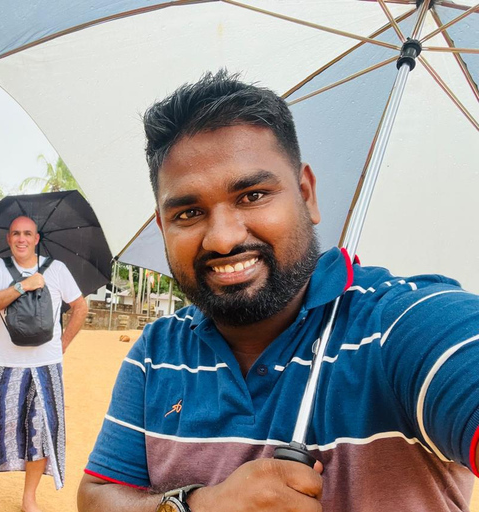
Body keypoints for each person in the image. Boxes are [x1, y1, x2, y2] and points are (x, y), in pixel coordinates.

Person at [78, 70, 479, 512]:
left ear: (306, 194)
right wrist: (199, 506)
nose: (223, 239)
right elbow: (97, 497)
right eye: (189, 212)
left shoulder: (398, 326)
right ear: (162, 226)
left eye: (252, 195)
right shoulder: (156, 352)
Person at [0, 215, 88, 512]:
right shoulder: (0, 269)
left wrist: (63, 343)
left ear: (36, 239)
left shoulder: (57, 269)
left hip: (47, 365)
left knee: (41, 432)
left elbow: (80, 307)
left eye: (27, 234)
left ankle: (29, 498)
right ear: (8, 239)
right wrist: (24, 286)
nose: (21, 239)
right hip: (8, 362)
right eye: (16, 233)